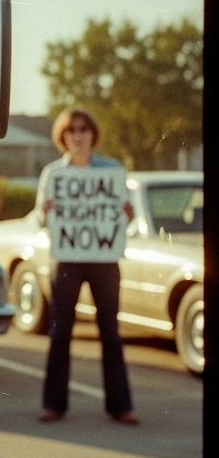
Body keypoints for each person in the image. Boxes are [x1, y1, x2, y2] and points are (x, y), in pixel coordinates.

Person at [36, 108, 138, 425]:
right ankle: (54, 404)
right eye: (71, 130)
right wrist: (46, 211)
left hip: (104, 260)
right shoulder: (53, 173)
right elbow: (42, 219)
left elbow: (122, 218)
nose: (78, 135)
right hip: (67, 259)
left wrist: (127, 212)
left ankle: (120, 406)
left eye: (83, 129)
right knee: (60, 331)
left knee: (110, 331)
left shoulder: (112, 171)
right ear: (63, 137)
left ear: (93, 133)